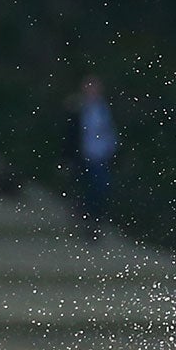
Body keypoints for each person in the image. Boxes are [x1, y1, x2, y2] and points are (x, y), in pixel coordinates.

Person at [67, 76, 116, 238]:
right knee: (88, 188)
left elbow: (109, 131)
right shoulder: (77, 108)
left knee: (99, 189)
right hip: (84, 155)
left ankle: (94, 220)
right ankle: (87, 221)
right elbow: (70, 134)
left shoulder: (104, 108)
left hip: (100, 155)